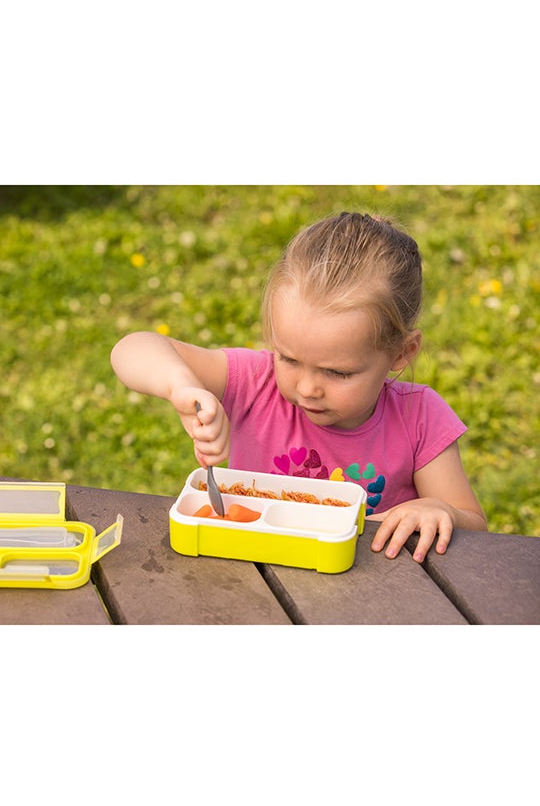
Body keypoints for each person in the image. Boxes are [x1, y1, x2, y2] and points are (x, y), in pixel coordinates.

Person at [111, 211, 487, 562]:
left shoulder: (419, 416)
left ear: (402, 354)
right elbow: (132, 348)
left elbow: (474, 525)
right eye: (288, 359)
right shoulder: (255, 383)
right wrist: (181, 387)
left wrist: (440, 510)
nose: (307, 388)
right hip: (256, 579)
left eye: (337, 373)